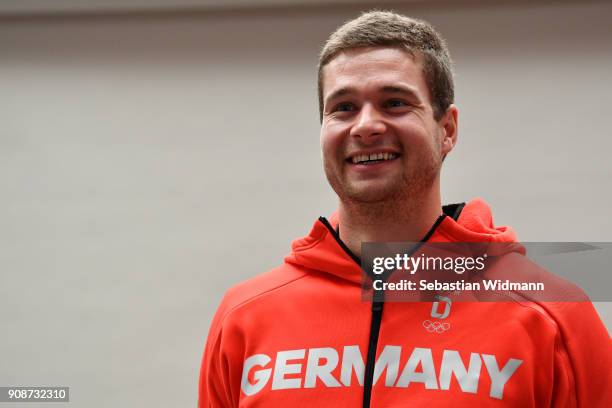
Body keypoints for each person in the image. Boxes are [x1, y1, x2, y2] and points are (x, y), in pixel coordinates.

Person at [198, 11, 611, 407]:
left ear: (446, 130)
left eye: (394, 102)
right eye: (343, 107)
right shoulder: (245, 317)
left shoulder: (552, 315)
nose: (365, 126)